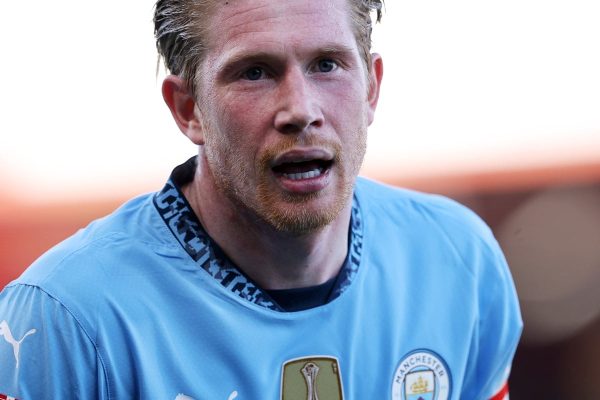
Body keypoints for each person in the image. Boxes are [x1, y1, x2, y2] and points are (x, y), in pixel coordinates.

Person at [0, 0, 522, 398]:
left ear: (371, 88)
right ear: (188, 109)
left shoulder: (459, 261)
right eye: (255, 72)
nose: (301, 110)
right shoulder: (65, 317)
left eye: (327, 64)